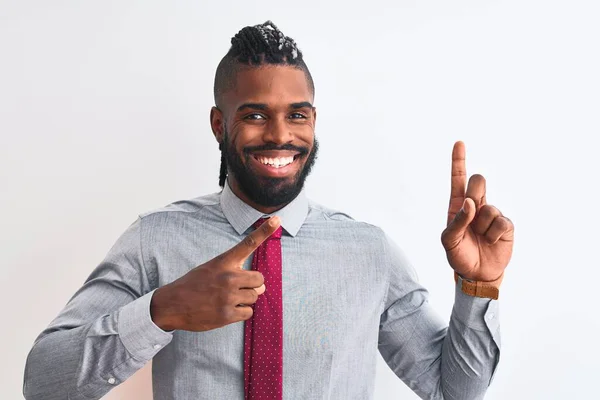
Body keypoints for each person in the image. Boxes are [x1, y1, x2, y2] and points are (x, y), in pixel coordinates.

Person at [23, 21, 514, 400]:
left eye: (296, 115)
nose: (280, 135)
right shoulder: (156, 239)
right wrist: (162, 311)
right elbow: (43, 381)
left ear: (313, 121)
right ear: (220, 124)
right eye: (255, 114)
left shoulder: (369, 251)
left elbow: (452, 390)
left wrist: (477, 287)